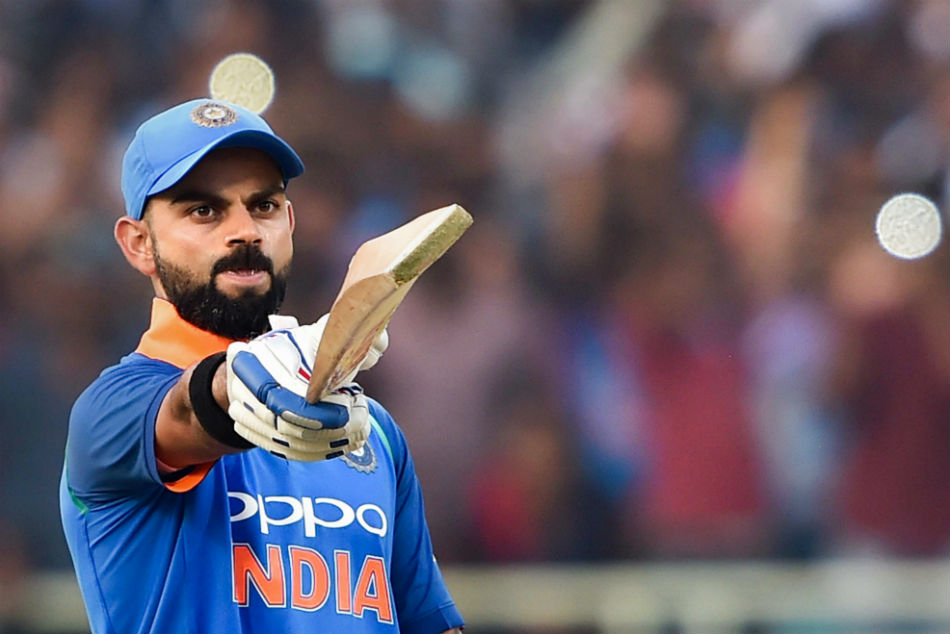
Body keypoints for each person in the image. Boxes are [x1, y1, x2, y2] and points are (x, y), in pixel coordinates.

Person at [59, 98, 464, 634]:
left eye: (264, 206)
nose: (246, 231)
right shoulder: (111, 411)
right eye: (204, 211)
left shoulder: (374, 433)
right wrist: (267, 369)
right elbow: (193, 409)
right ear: (140, 244)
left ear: (289, 223)